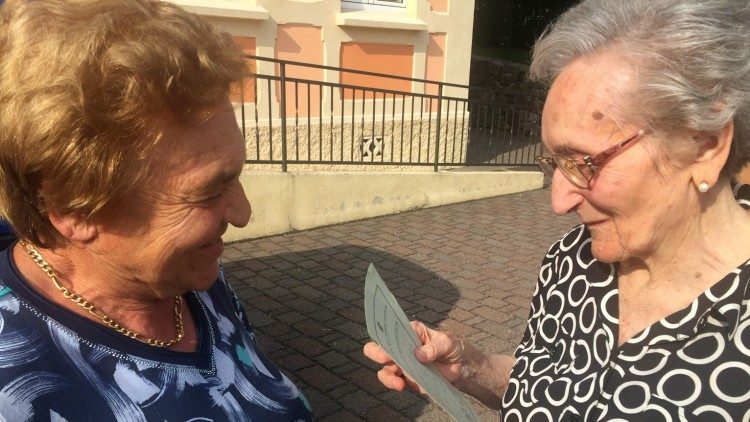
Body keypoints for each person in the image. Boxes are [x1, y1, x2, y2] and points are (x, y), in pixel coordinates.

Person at [364, 0, 750, 419]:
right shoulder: (571, 259)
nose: (558, 200)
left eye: (583, 162)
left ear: (705, 144)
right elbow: (541, 385)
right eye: (554, 164)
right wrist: (466, 367)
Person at [0, 0, 313, 420]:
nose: (242, 213)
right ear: (75, 211)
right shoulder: (14, 385)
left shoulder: (191, 277)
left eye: (235, 176)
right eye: (206, 192)